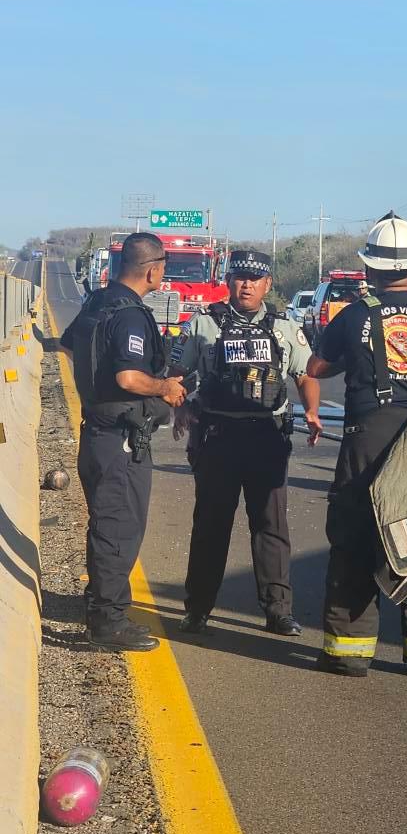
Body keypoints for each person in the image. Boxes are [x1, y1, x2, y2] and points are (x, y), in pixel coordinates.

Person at [307, 211, 407, 679]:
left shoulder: (354, 315)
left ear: (370, 269)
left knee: (357, 538)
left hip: (367, 441)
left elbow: (317, 368)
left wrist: (359, 361)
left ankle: (348, 652)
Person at [169, 250, 323, 636]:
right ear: (229, 281)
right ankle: (198, 609)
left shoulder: (285, 327)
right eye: (239, 277)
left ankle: (278, 611)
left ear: (268, 284)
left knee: (271, 527)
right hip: (218, 438)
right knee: (210, 527)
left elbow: (305, 374)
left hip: (266, 439)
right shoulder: (203, 324)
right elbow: (177, 374)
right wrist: (181, 406)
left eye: (255, 279)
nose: (247, 285)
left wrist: (312, 411)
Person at [60, 233, 186, 652]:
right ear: (152, 268)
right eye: (164, 266)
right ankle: (107, 622)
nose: (163, 273)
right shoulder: (131, 315)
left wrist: (94, 391)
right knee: (119, 529)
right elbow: (128, 378)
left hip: (98, 431)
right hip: (119, 440)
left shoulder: (98, 302)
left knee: (107, 525)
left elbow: (69, 346)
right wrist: (164, 387)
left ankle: (102, 608)